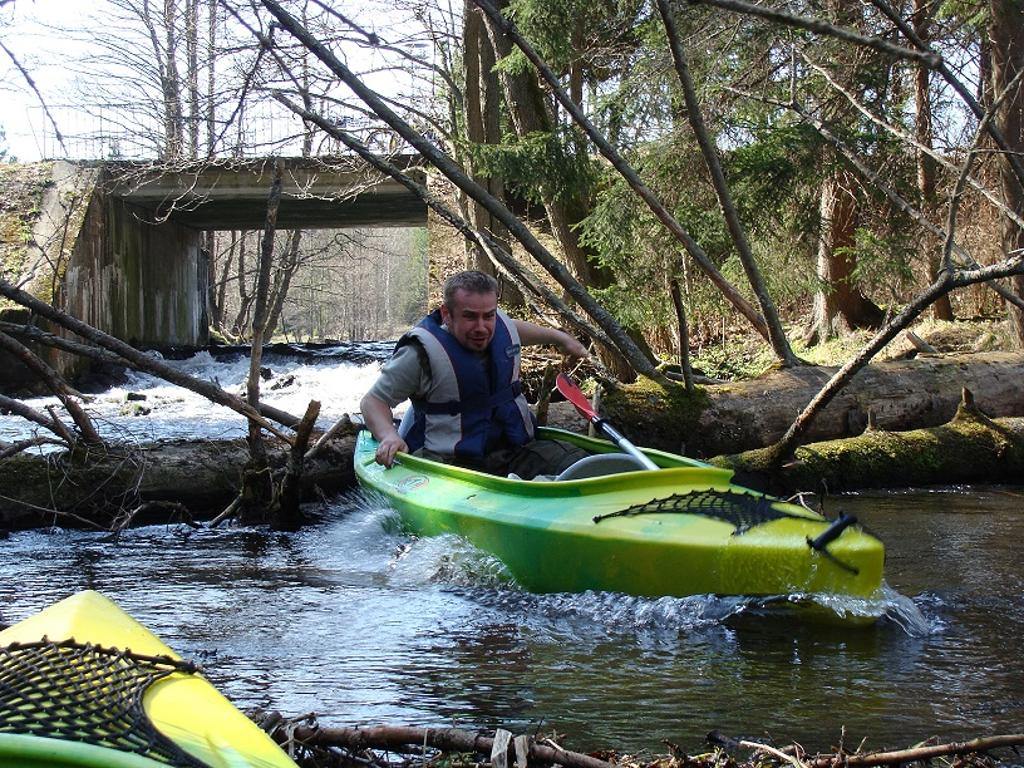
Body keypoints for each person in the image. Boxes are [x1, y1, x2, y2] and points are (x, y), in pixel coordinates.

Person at [360, 270, 590, 479]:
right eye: (470, 317)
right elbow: (374, 401)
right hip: (450, 463)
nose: (481, 327)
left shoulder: (499, 326)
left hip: (513, 450)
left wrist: (561, 338)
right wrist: (388, 435)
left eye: (488, 316)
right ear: (447, 314)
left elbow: (513, 328)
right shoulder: (419, 354)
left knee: (587, 467)